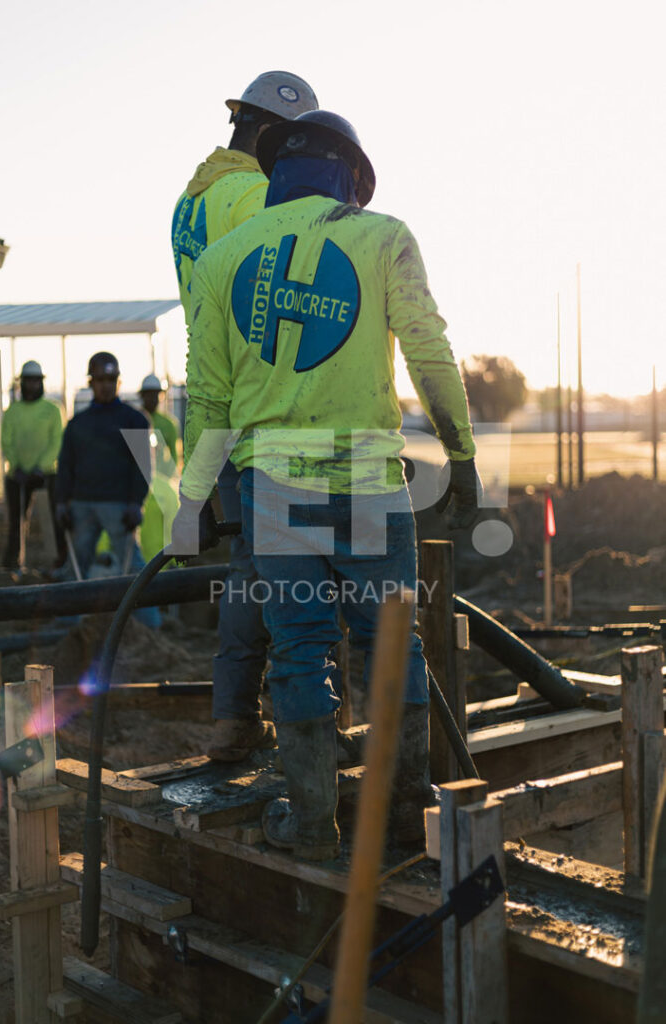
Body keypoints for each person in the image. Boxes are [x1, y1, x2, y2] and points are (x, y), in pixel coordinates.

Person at [169, 110, 479, 860]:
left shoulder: (221, 261)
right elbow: (428, 352)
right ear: (351, 176)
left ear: (277, 172)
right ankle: (405, 816)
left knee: (299, 652)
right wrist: (461, 452)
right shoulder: (381, 237)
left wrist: (191, 503)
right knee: (391, 648)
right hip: (368, 484)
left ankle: (310, 825)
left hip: (273, 488)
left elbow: (209, 399)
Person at [171, 71, 319, 760]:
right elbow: (294, 296)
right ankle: (306, 729)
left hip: (213, 396)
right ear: (271, 135)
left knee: (246, 565)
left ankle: (234, 719)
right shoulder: (256, 195)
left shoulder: (190, 201)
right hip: (267, 404)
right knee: (301, 567)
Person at [55, 353, 158, 625]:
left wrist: (136, 502)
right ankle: (69, 626)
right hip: (81, 505)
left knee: (134, 569)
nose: (105, 384)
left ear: (118, 381)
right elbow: (65, 465)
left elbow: (144, 467)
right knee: (76, 568)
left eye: (110, 378)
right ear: (91, 382)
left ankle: (149, 625)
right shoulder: (78, 424)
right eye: (100, 379)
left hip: (118, 506)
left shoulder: (135, 420)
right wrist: (62, 503)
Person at [1, 360, 65, 570]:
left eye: (36, 380)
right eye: (28, 381)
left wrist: (41, 466)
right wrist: (17, 465)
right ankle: (13, 565)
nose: (32, 385)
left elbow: (57, 440)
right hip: (17, 476)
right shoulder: (12, 411)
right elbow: (6, 441)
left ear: (41, 382)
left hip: (46, 475)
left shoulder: (53, 410)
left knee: (51, 522)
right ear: (22, 383)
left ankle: (57, 564)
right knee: (16, 523)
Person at [139, 374, 179, 477]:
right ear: (142, 395)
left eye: (155, 394)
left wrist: (166, 478)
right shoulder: (134, 421)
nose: (152, 398)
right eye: (149, 394)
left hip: (160, 480)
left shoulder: (169, 424)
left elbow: (174, 456)